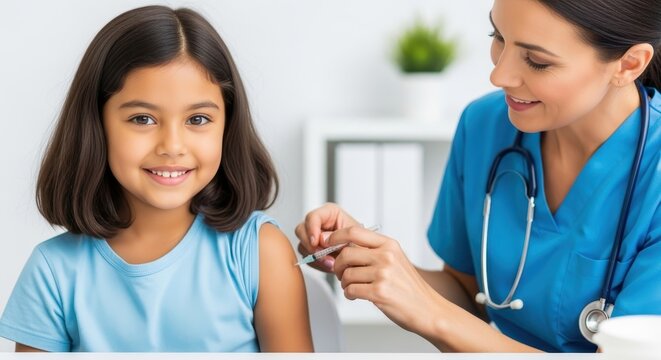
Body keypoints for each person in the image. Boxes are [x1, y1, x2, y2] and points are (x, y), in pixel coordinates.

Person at [296, 0, 660, 353]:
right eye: (498, 36)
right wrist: (374, 260)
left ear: (629, 64)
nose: (498, 75)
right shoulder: (486, 126)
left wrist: (432, 314)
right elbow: (468, 294)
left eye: (537, 61)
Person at [0, 5, 312, 352]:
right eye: (143, 119)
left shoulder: (259, 251)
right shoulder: (53, 271)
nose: (172, 147)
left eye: (197, 120)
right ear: (96, 125)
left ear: (228, 125)